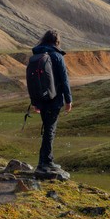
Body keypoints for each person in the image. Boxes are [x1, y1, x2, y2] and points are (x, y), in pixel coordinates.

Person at [31, 29, 72, 172]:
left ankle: (44, 161)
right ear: (57, 41)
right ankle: (46, 162)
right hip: (54, 99)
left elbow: (33, 81)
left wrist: (35, 102)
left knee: (48, 129)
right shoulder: (57, 56)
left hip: (41, 99)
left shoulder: (37, 55)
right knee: (50, 130)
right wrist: (69, 100)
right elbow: (64, 80)